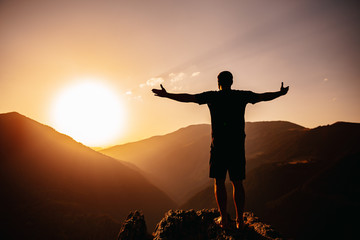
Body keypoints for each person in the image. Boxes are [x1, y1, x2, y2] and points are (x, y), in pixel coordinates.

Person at [152, 71, 289, 230]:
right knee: (237, 183)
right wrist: (279, 93)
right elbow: (263, 96)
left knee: (219, 182)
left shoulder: (213, 96)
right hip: (237, 145)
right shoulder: (241, 96)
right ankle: (240, 221)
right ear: (232, 81)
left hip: (218, 146)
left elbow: (188, 97)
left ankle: (223, 219)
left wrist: (167, 95)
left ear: (218, 82)